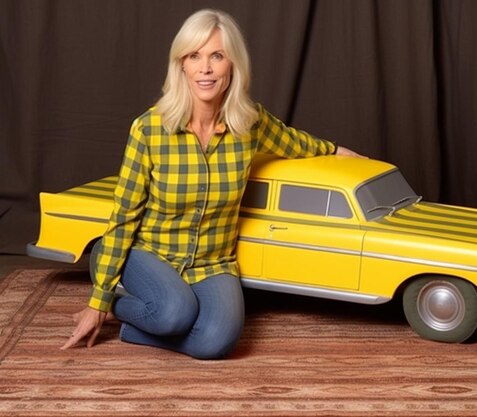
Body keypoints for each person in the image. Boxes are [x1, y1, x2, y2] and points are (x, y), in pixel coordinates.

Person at [60, 9, 362, 359]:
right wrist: (97, 302)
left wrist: (337, 150)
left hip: (213, 262)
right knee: (176, 313)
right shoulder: (148, 129)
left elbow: (294, 142)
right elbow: (124, 215)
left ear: (232, 65)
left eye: (216, 56)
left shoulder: (249, 124)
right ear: (182, 65)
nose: (205, 68)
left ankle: (129, 321)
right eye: (194, 56)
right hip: (147, 253)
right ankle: (117, 305)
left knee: (216, 342)